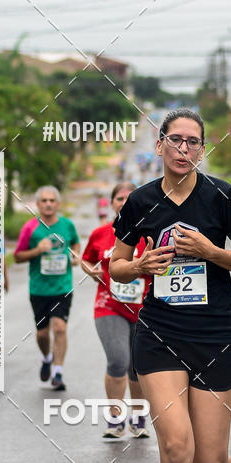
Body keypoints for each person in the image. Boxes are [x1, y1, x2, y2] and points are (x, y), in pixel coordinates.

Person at [110, 108, 231, 463]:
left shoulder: (220, 196)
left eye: (192, 142)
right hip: (159, 333)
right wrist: (140, 266)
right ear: (159, 145)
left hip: (213, 337)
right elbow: (114, 264)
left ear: (202, 148)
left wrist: (210, 253)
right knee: (175, 445)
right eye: (174, 140)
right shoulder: (140, 201)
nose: (183, 149)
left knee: (207, 459)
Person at [81, 182, 150, 439]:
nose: (124, 201)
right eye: (119, 198)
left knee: (138, 367)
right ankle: (115, 419)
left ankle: (139, 417)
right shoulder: (101, 234)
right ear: (112, 203)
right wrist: (91, 270)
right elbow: (87, 258)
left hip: (144, 309)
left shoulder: (150, 232)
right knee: (119, 359)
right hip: (109, 306)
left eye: (130, 197)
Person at [14, 186, 80, 391]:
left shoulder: (67, 225)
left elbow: (76, 244)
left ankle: (58, 373)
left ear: (58, 204)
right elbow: (17, 256)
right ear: (38, 204)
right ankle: (47, 357)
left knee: (60, 328)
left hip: (63, 287)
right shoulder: (29, 228)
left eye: (52, 200)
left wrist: (76, 255)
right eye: (44, 201)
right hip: (39, 289)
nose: (48, 204)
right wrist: (37, 250)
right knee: (42, 334)